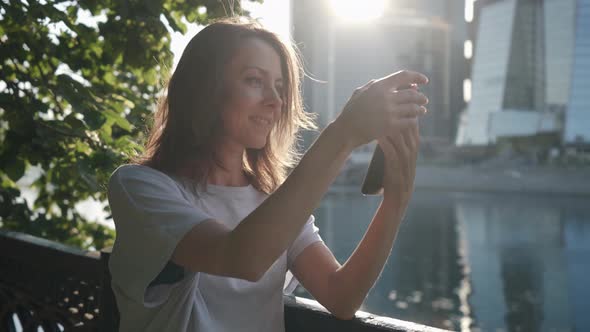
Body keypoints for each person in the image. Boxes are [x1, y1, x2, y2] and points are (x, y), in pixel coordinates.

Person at [107, 17, 429, 332]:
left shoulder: (274, 201)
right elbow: (241, 258)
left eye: (279, 86)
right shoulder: (140, 187)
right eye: (254, 80)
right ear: (204, 88)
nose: (276, 101)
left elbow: (341, 295)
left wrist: (395, 202)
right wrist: (343, 132)